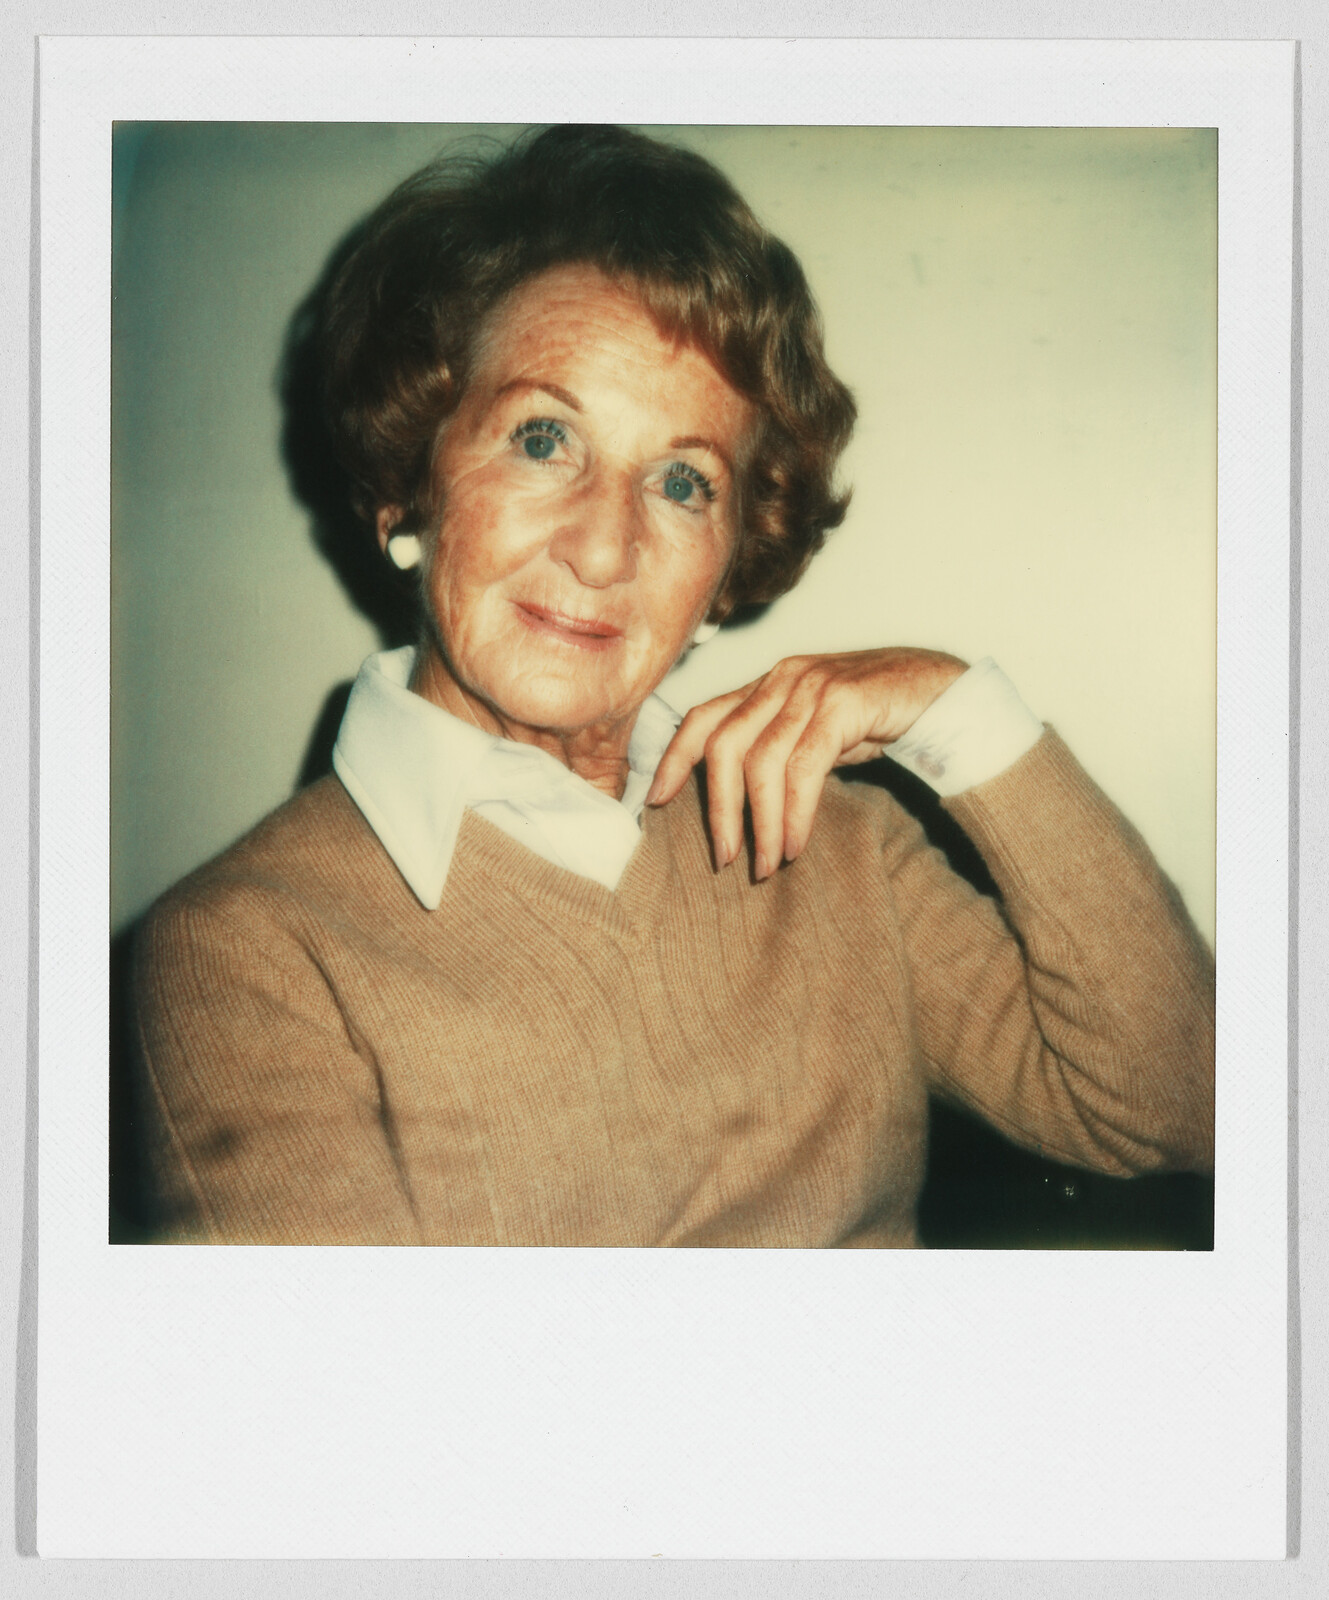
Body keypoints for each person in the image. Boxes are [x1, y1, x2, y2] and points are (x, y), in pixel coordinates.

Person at [131, 124, 1215, 1247]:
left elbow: (1179, 1106)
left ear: (731, 563)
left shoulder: (836, 845)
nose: (605, 549)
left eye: (683, 480)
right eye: (544, 438)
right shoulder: (246, 952)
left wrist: (956, 710)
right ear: (411, 489)